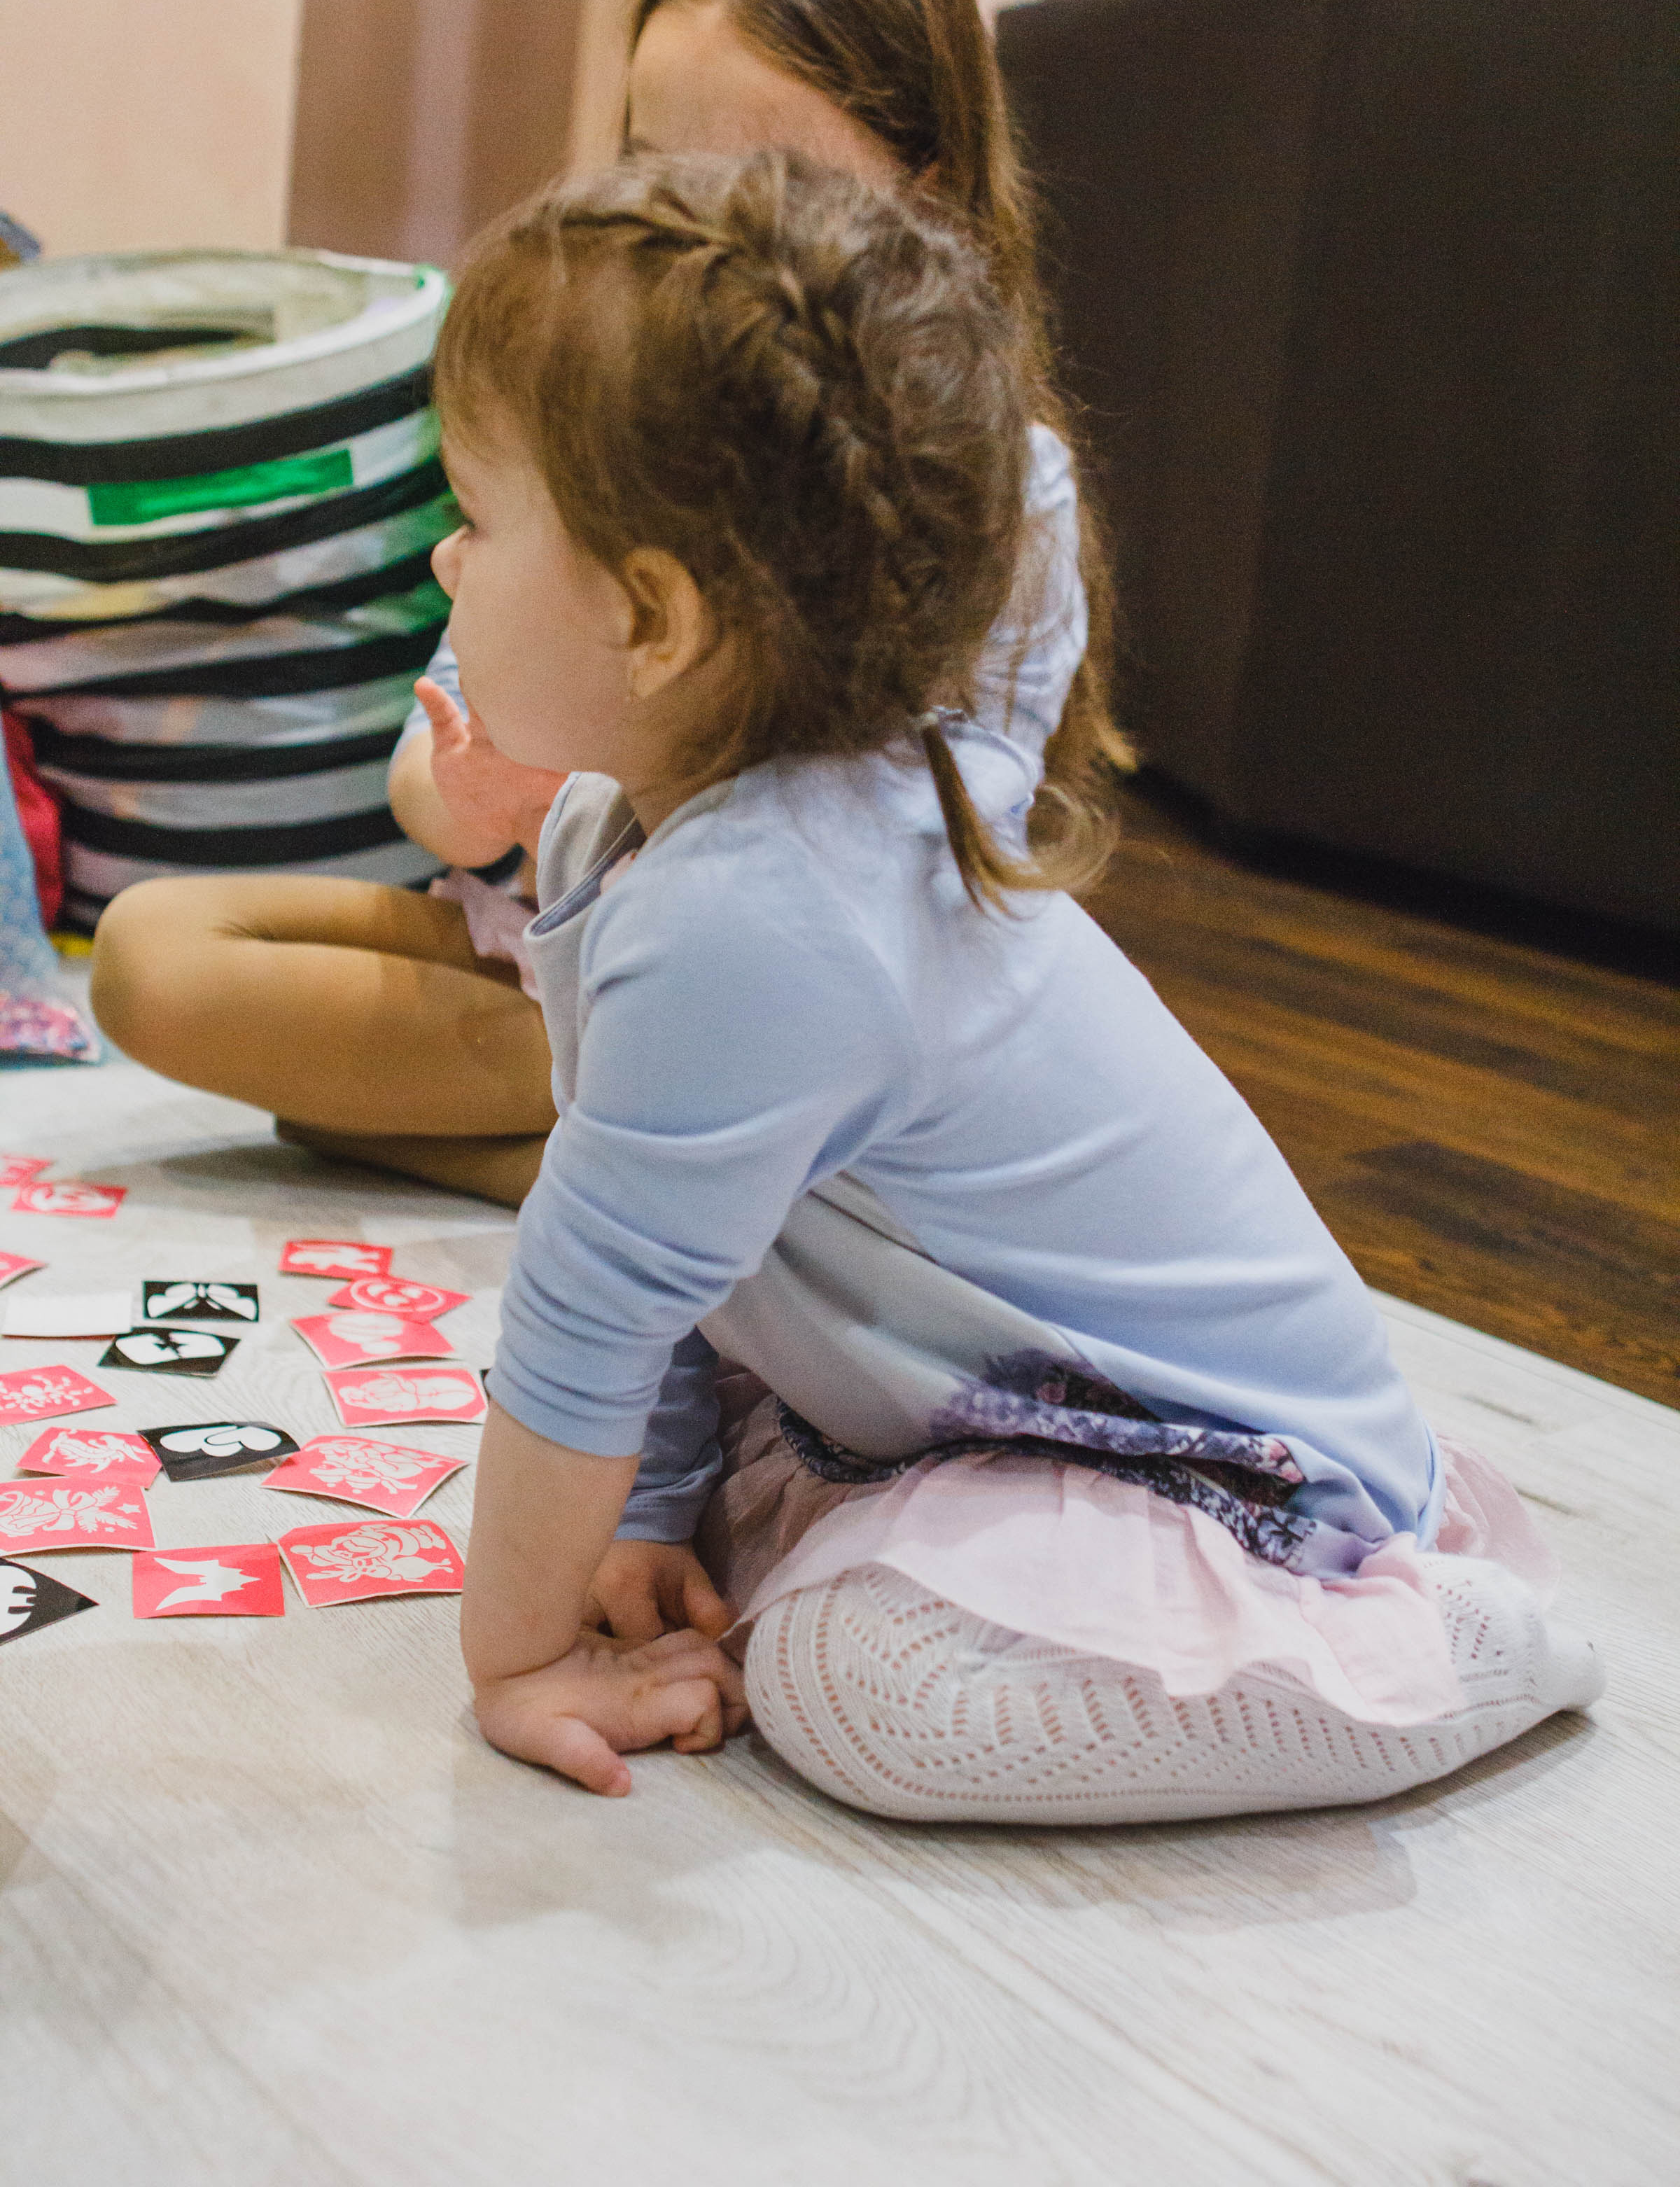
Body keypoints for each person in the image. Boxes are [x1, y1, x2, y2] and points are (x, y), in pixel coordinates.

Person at [446, 146, 1600, 1822]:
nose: (444, 574)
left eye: (475, 524)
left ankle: (1472, 1649)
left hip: (1223, 1479)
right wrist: (638, 1513)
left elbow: (578, 1323)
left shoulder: (764, 909)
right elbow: (655, 1287)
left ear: (658, 621)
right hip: (970, 1414)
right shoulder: (613, 829)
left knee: (861, 1694)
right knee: (681, 1513)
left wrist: (515, 1657)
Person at [88, 0, 1118, 1208]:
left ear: (927, 188)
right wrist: (477, 796)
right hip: (544, 956)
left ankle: (658, 1159)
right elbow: (440, 752)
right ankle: (639, 1166)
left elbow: (926, 862)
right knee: (155, 951)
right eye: (653, 167)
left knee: (364, 1090)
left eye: (761, 178)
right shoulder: (587, 426)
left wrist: (624, 792)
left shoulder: (996, 488)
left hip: (758, 1007)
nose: (689, 234)